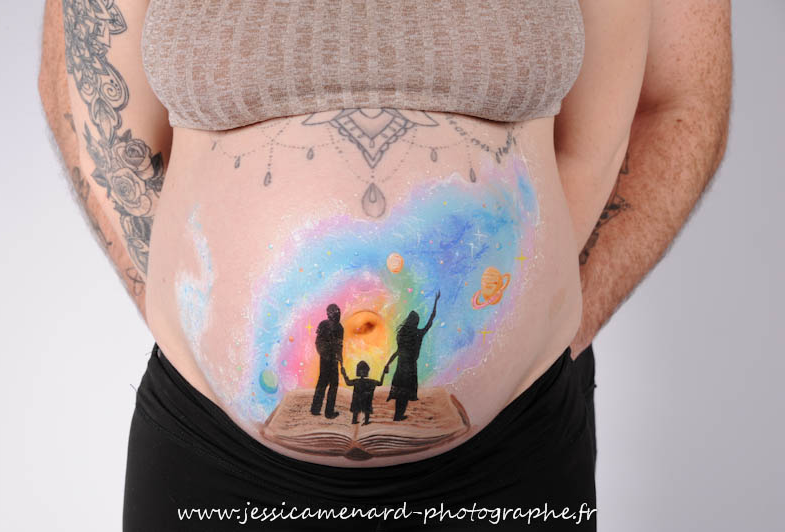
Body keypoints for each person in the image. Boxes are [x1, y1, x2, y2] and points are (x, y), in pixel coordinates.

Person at [38, 1, 731, 530]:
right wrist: (205, 338)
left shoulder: (401, 340)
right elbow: (104, 129)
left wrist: (533, 329)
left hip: (510, 455)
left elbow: (620, 133)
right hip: (213, 455)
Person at [385, 291, 440, 421]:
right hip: (410, 368)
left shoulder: (402, 334)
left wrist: (387, 364)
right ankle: (399, 415)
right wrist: (436, 302)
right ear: (416, 322)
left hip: (400, 366)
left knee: (400, 392)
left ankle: (397, 415)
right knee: (405, 392)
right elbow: (431, 321)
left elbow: (397, 352)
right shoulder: (418, 334)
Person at [310, 303, 344, 418]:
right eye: (335, 311)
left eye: (338, 311)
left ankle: (317, 409)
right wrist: (325, 354)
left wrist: (340, 360)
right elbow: (318, 342)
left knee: (326, 383)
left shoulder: (339, 327)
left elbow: (339, 345)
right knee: (328, 383)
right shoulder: (326, 325)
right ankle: (326, 412)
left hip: (330, 358)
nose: (338, 313)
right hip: (327, 358)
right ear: (329, 314)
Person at [340, 361, 387, 425]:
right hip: (366, 401)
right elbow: (380, 383)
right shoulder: (371, 381)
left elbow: (348, 383)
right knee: (365, 409)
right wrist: (383, 373)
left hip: (358, 400)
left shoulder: (357, 381)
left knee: (357, 409)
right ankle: (365, 421)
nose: (362, 372)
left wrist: (344, 374)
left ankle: (356, 421)